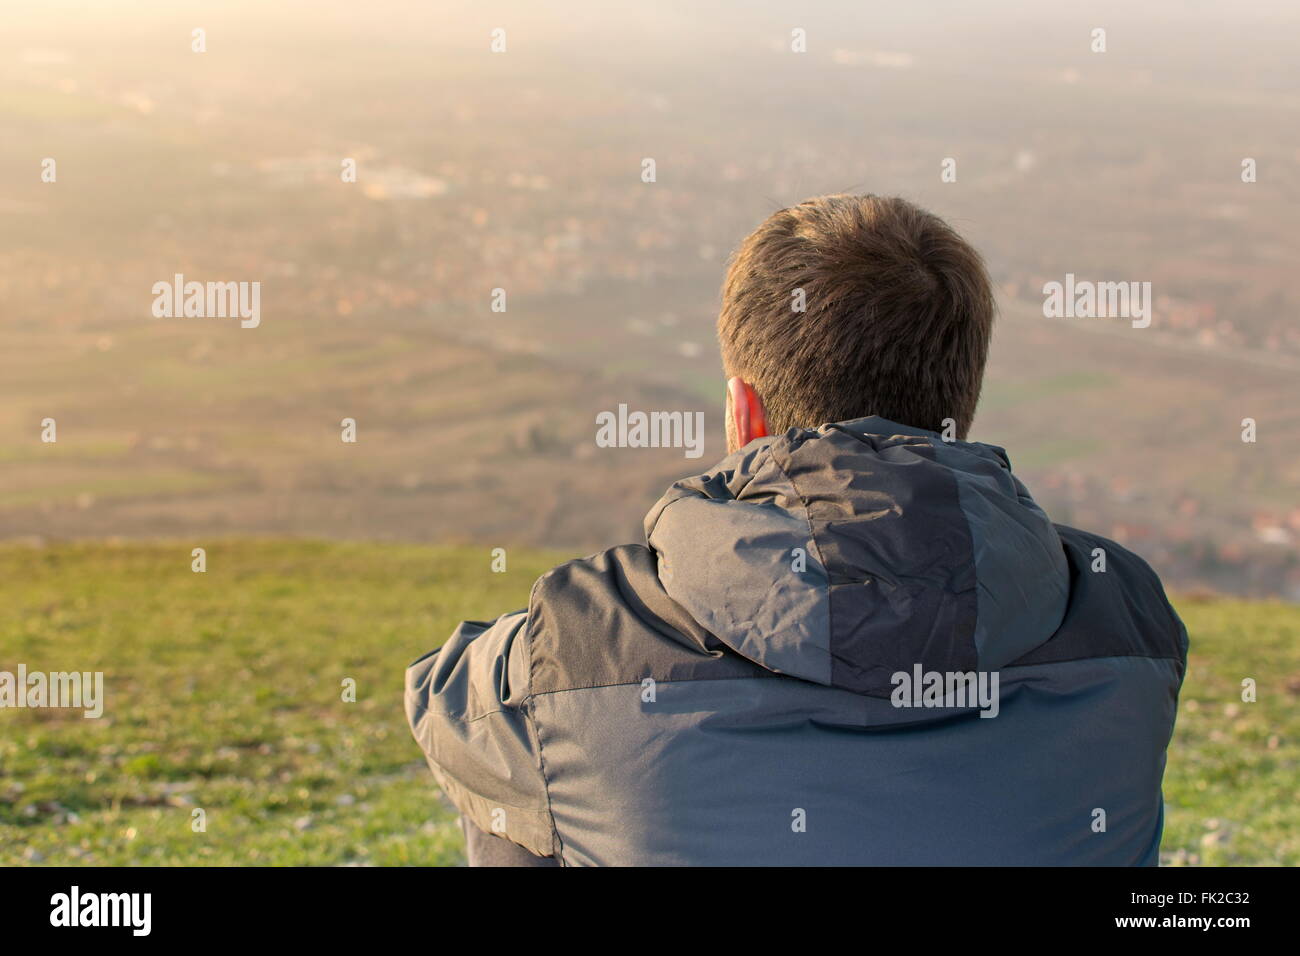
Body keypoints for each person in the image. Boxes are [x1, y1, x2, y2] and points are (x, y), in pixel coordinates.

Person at [404, 194, 1188, 866]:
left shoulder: (583, 640)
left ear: (744, 413)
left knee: (520, 778)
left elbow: (443, 700)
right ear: (960, 403)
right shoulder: (1126, 619)